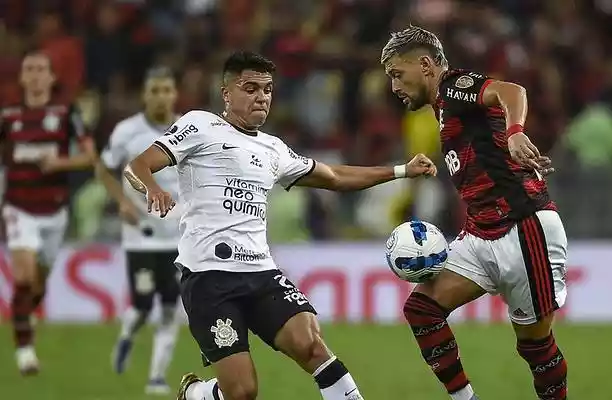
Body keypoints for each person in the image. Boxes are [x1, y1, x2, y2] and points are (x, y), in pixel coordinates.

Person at [126, 50, 435, 400]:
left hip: (261, 273)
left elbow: (333, 175)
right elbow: (139, 164)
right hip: (209, 278)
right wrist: (151, 187)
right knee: (242, 392)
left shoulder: (274, 149)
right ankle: (196, 394)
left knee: (312, 346)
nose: (261, 97)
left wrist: (400, 170)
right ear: (226, 93)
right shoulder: (200, 125)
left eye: (268, 89)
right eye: (250, 88)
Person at [380, 26, 567, 400]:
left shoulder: (453, 87)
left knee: (534, 346)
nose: (395, 86)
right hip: (482, 231)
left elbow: (511, 91)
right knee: (422, 310)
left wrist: (515, 131)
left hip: (524, 227)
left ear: (426, 65)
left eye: (398, 75)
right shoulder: (443, 110)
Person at [0, 51, 96, 375]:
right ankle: (25, 351)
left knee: (36, 287)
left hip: (54, 212)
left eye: (42, 69)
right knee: (24, 277)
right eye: (30, 69)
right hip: (18, 207)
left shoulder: (67, 112)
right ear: (23, 78)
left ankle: (24, 317)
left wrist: (60, 163)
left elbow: (89, 157)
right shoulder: (8, 116)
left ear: (52, 79)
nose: (36, 75)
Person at [95, 67, 183, 395]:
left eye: (166, 90)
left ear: (175, 94)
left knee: (172, 306)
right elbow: (103, 168)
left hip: (179, 237)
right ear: (145, 95)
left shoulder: (186, 129)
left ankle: (156, 377)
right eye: (155, 90)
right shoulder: (127, 132)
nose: (161, 97)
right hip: (141, 238)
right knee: (144, 305)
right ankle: (128, 335)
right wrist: (121, 202)